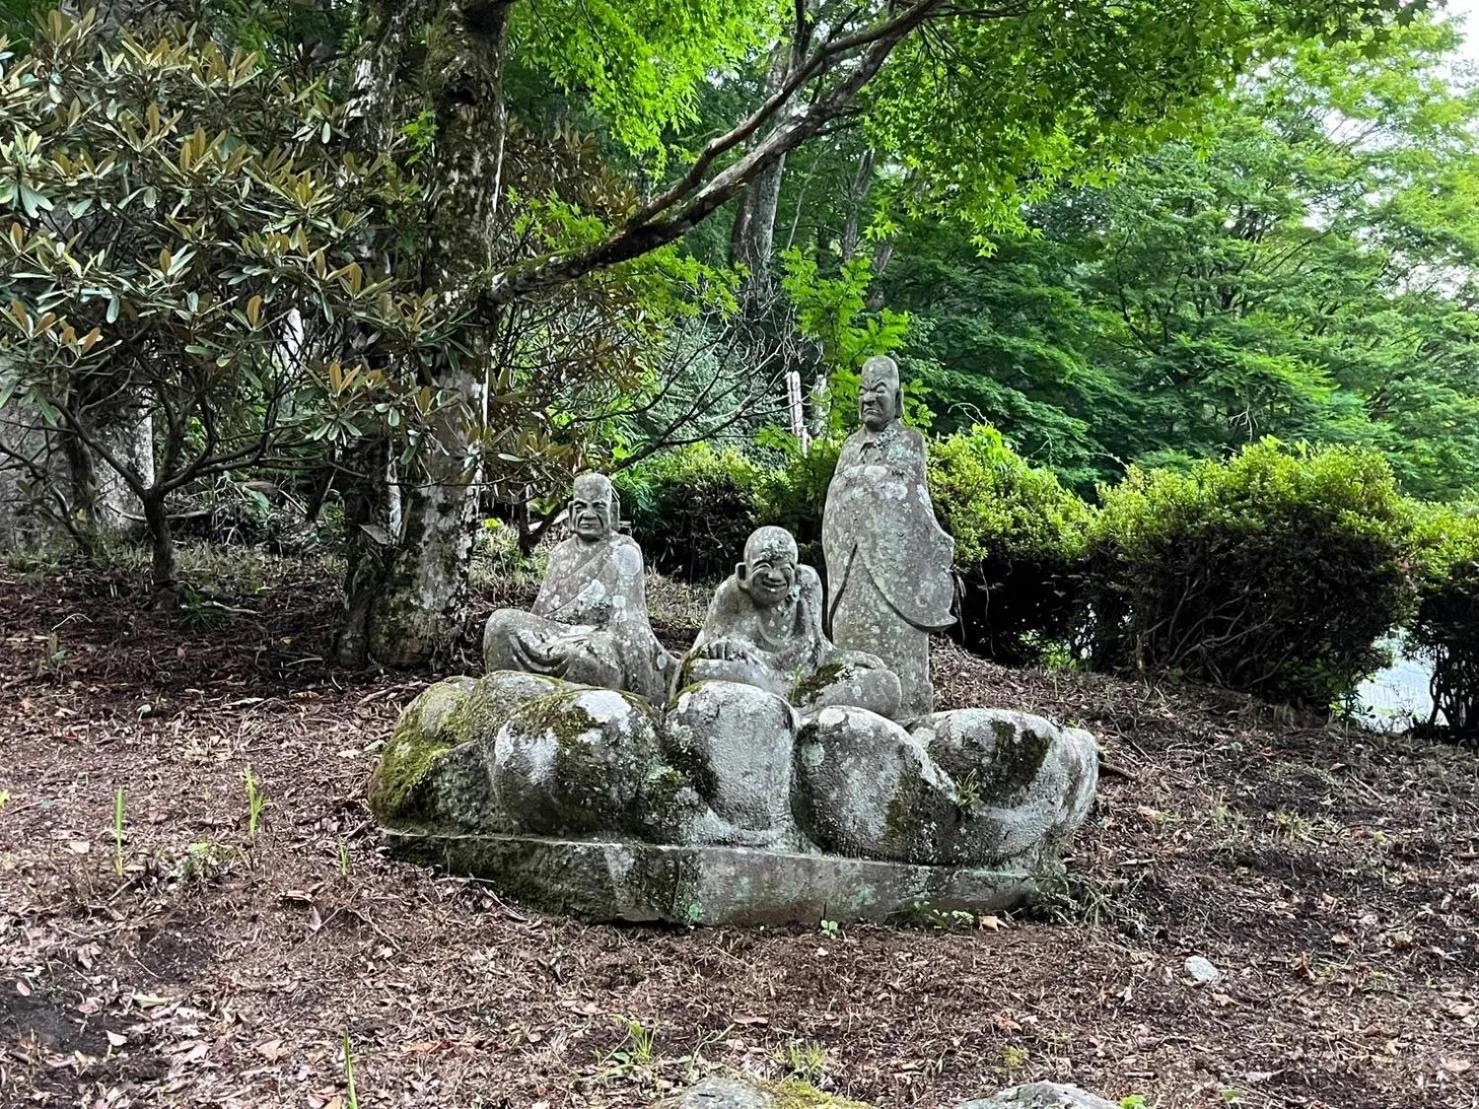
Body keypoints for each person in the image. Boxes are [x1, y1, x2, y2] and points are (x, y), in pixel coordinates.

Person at [822, 355, 955, 717]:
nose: (868, 399)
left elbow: (912, 499)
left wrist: (864, 484)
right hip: (851, 571)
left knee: (899, 670)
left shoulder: (910, 442)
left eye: (878, 391)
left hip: (895, 573)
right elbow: (836, 498)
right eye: (863, 392)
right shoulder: (850, 447)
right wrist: (861, 485)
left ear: (897, 399)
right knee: (853, 656)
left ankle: (908, 706)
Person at [483, 473, 670, 702]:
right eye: (581, 507)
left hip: (598, 637)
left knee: (588, 655)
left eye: (598, 507)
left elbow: (629, 623)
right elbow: (540, 614)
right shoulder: (561, 553)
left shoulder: (624, 551)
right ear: (572, 511)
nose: (588, 515)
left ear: (612, 512)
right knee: (501, 624)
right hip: (558, 633)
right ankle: (511, 694)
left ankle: (568, 700)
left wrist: (640, 684)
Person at [686, 525, 901, 718]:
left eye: (784, 568)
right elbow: (696, 660)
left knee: (885, 683)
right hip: (756, 680)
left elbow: (820, 649)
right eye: (764, 566)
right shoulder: (731, 593)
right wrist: (724, 648)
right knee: (702, 671)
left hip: (806, 687)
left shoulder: (808, 585)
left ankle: (798, 717)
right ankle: (791, 714)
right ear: (743, 573)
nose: (774, 575)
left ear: (796, 575)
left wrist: (846, 657)